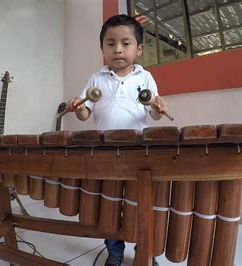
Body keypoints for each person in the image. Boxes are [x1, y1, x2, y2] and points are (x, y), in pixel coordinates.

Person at [66, 14, 169, 266]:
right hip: (104, 152)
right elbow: (84, 114)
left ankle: (145, 250)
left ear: (139, 49)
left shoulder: (144, 78)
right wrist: (78, 107)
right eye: (110, 44)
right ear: (102, 49)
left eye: (126, 43)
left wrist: (158, 107)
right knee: (108, 205)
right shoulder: (96, 79)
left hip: (137, 153)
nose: (118, 49)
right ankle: (114, 251)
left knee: (141, 205)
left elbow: (153, 114)